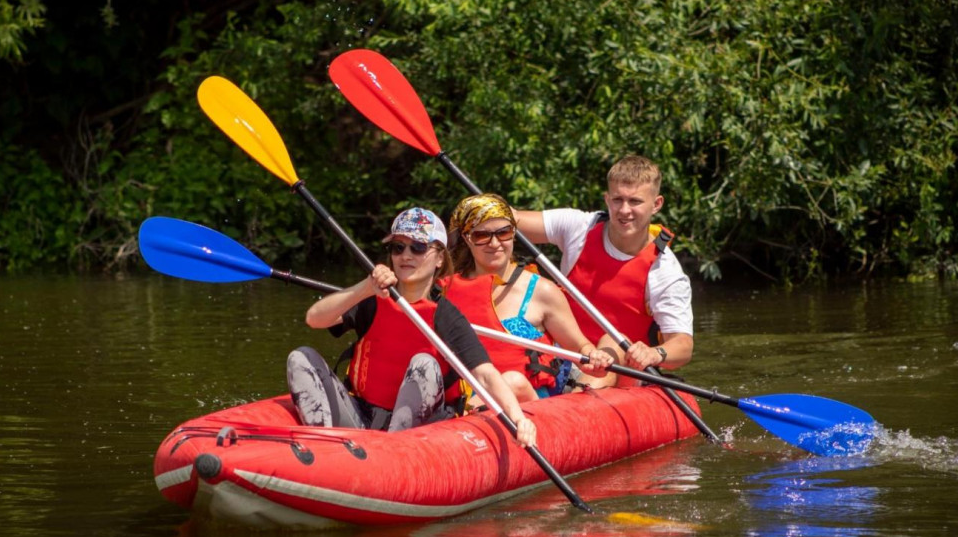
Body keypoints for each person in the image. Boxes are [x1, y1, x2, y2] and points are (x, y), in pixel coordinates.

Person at [286, 207, 537, 447]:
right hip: (361, 416)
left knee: (424, 363)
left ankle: (392, 450)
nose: (406, 256)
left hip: (419, 430)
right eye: (398, 247)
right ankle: (327, 447)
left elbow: (485, 374)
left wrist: (518, 419)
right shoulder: (373, 301)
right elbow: (315, 319)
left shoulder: (446, 316)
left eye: (418, 248)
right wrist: (365, 288)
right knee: (301, 357)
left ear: (439, 258)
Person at [515, 155, 694, 376]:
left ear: (656, 204)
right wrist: (483, 212)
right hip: (565, 355)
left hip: (619, 370)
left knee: (614, 342)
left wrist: (655, 354)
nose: (624, 210)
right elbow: (511, 220)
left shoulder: (664, 270)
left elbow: (683, 345)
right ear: (607, 200)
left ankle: (581, 399)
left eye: (635, 201)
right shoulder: (579, 227)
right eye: (617, 200)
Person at [444, 193, 618, 400]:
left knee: (511, 381)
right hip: (465, 402)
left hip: (529, 401)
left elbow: (580, 347)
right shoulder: (445, 290)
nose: (494, 243)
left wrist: (593, 357)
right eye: (482, 235)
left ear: (514, 233)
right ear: (467, 238)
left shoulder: (542, 291)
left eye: (504, 233)